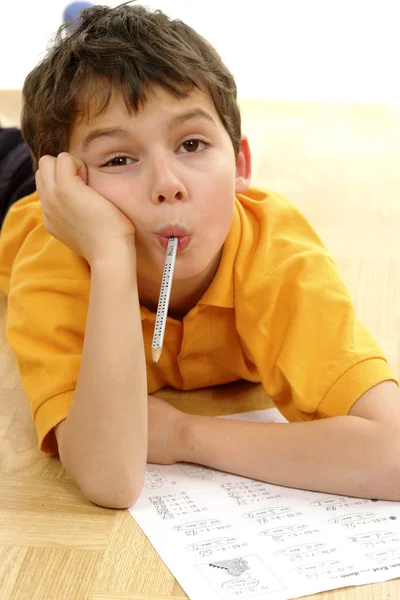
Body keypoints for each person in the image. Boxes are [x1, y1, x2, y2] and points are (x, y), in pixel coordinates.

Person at [0, 2, 399, 510]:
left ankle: (86, 24)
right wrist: (109, 254)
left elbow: (394, 454)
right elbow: (110, 479)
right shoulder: (54, 261)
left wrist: (187, 435)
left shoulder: (277, 258)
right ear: (68, 191)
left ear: (239, 165)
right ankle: (84, 23)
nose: (168, 186)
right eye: (119, 158)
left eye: (191, 144)